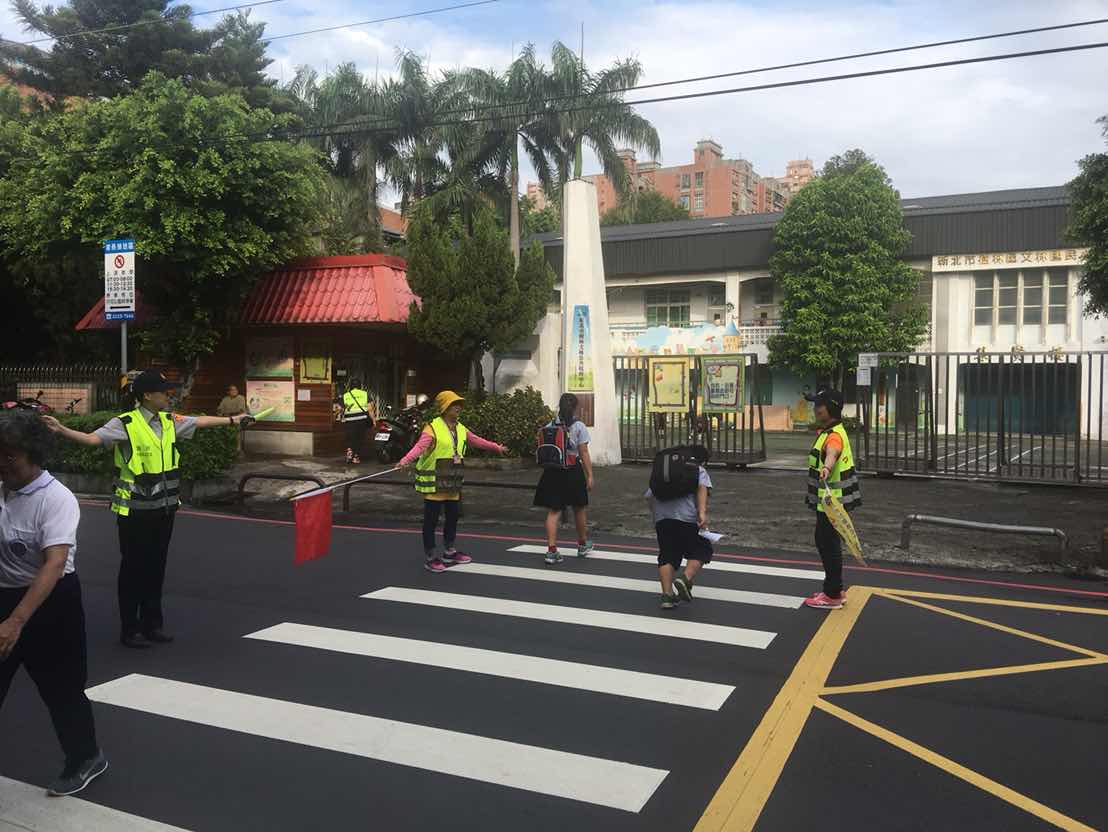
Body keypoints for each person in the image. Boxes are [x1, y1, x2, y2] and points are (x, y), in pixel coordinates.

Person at [43, 370, 250, 647]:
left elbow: (198, 421)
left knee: (156, 567)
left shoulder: (168, 421)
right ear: (146, 396)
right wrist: (61, 429)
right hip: (134, 511)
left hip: (164, 509)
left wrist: (234, 420)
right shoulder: (126, 423)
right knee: (133, 569)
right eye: (163, 391)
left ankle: (153, 624)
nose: (168, 395)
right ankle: (130, 629)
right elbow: (93, 439)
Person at [0, 410, 108, 796]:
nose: (2, 462)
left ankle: (86, 758)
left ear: (34, 454)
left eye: (9, 455)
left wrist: (16, 620)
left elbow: (55, 562)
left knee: (61, 690)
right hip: (5, 596)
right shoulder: (2, 488)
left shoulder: (56, 499)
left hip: (51, 603)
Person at [397, 391, 508, 573]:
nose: (458, 407)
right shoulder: (432, 428)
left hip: (452, 482)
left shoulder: (460, 428)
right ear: (444, 408)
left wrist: (496, 447)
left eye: (458, 404)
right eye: (453, 404)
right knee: (431, 521)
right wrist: (405, 460)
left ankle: (449, 550)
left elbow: (476, 441)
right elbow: (419, 447)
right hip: (434, 483)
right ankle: (431, 556)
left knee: (452, 518)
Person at [803, 387, 862, 610]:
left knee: (827, 544)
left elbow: (833, 452)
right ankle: (835, 589)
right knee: (828, 542)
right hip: (832, 501)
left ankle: (833, 594)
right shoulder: (831, 431)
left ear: (831, 408)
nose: (815, 409)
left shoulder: (834, 436)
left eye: (819, 405)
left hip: (831, 502)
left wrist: (827, 468)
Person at [533, 393, 595, 565]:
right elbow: (583, 453)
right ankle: (582, 544)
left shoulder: (550, 425)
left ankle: (552, 551)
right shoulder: (579, 426)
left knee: (554, 511)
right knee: (579, 507)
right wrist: (590, 475)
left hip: (553, 471)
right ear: (575, 407)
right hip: (572, 470)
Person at [645, 454, 712, 610]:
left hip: (662, 518)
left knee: (667, 554)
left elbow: (649, 496)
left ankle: (667, 596)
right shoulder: (698, 469)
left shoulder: (664, 472)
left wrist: (657, 517)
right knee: (702, 548)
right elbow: (702, 488)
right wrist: (701, 512)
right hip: (687, 516)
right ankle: (686, 578)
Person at [342, 379, 372, 465]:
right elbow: (370, 409)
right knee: (359, 438)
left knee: (350, 437)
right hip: (361, 420)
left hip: (349, 421)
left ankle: (349, 451)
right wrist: (373, 420)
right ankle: (356, 457)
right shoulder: (365, 394)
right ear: (360, 386)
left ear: (350, 386)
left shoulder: (346, 395)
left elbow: (340, 408)